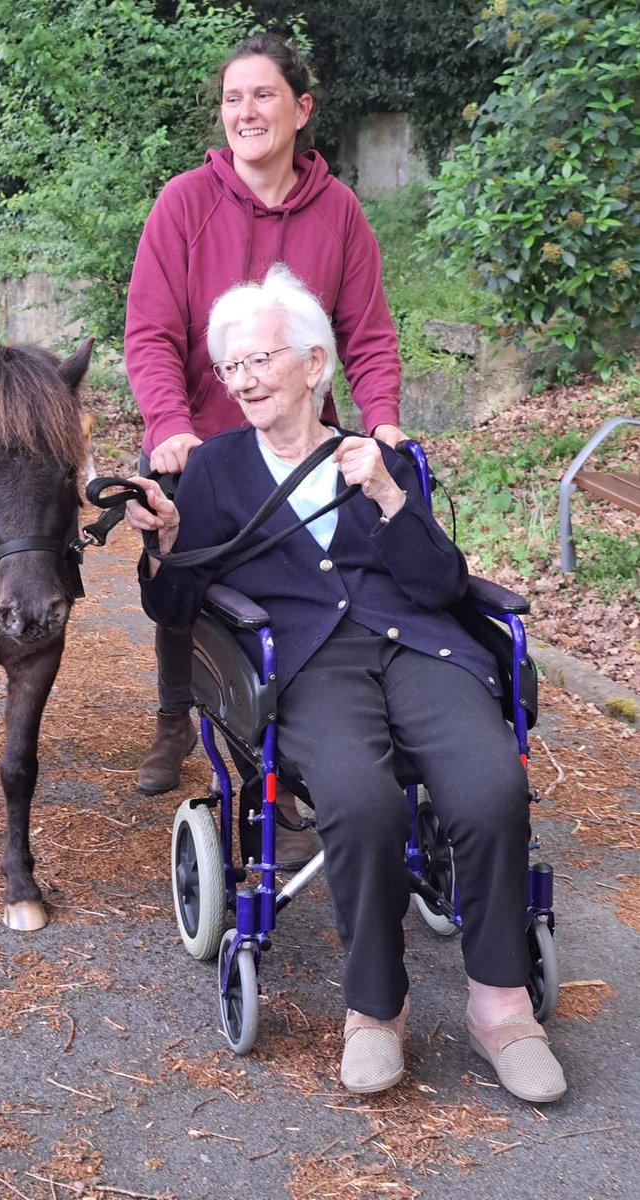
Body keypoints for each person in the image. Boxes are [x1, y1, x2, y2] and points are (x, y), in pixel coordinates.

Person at [124, 264, 566, 1103]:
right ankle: (375, 1009)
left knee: (489, 785)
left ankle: (501, 1007)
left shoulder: (376, 457)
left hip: (422, 650)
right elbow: (176, 607)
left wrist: (393, 498)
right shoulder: (215, 470)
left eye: (260, 360)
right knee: (362, 803)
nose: (243, 380)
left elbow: (443, 583)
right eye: (231, 366)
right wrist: (170, 539)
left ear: (314, 364)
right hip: (309, 665)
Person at [124, 34, 403, 800]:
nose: (245, 111)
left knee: (303, 584)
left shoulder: (339, 212)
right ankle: (175, 716)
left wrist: (381, 418)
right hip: (198, 444)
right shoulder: (185, 204)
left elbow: (367, 333)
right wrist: (169, 425)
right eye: (232, 98)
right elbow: (149, 333)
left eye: (263, 95)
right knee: (183, 581)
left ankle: (293, 728)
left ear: (301, 108)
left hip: (296, 447)